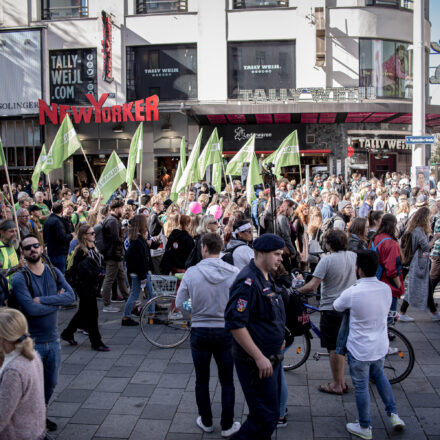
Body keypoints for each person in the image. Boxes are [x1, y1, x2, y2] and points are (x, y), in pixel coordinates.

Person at [334, 250, 405, 439]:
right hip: (380, 345)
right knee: (380, 376)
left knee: (362, 387)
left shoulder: (353, 292)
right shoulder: (385, 289)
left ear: (359, 269)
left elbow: (337, 306)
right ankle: (394, 414)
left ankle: (364, 426)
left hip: (359, 349)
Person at [176, 233, 241, 437]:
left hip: (200, 330)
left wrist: (192, 313)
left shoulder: (192, 272)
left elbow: (179, 304)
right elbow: (241, 302)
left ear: (204, 248)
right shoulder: (234, 272)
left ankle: (206, 421)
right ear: (220, 248)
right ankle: (228, 424)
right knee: (227, 380)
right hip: (225, 331)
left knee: (201, 379)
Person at [12, 234, 75, 432]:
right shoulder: (20, 277)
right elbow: (31, 310)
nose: (32, 249)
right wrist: (56, 302)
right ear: (22, 253)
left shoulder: (54, 272)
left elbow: (71, 296)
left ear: (42, 249)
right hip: (31, 342)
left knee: (51, 383)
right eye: (28, 247)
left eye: (35, 245)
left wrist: (45, 301)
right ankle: (34, 421)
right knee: (32, 386)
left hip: (54, 340)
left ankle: (41, 413)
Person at [225, 234, 286, 440]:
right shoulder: (248, 281)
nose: (281, 258)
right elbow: (235, 324)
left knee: (269, 413)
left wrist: (280, 336)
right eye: (276, 254)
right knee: (265, 417)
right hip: (256, 362)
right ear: (260, 253)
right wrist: (259, 357)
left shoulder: (266, 276)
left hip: (271, 358)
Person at [299, 229, 357, 395]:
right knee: (343, 344)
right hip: (350, 306)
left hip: (331, 308)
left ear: (329, 244)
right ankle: (342, 381)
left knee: (334, 347)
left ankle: (337, 384)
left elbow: (312, 286)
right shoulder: (353, 257)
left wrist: (298, 290)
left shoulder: (327, 260)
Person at [61, 224, 109, 351]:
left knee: (83, 312)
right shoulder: (80, 251)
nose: (94, 235)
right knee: (93, 314)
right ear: (84, 235)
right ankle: (96, 342)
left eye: (94, 233)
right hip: (85, 287)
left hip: (92, 286)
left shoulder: (92, 248)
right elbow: (77, 271)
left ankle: (67, 333)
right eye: (91, 233)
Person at [0, 308, 46, 440]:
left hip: (16, 434)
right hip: (33, 430)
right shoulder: (32, 355)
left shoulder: (13, 371)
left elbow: (2, 415)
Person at [399, 207, 440, 321]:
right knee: (416, 286)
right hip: (419, 262)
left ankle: (433, 312)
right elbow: (426, 246)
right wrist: (435, 238)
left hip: (420, 261)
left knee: (426, 286)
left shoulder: (416, 229)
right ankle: (403, 312)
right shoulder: (418, 230)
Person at [123, 215, 159, 326]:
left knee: (146, 293)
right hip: (140, 273)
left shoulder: (137, 239)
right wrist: (143, 276)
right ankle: (127, 317)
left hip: (139, 272)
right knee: (138, 294)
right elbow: (139, 261)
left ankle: (150, 315)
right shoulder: (137, 241)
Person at [101, 199, 130, 313]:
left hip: (115, 254)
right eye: (121, 208)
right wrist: (123, 238)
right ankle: (107, 304)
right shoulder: (112, 221)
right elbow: (116, 239)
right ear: (116, 209)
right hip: (112, 254)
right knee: (109, 279)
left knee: (121, 277)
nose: (123, 210)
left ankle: (128, 299)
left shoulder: (113, 220)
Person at [43, 202, 74, 274]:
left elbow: (44, 237)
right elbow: (63, 237)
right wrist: (72, 235)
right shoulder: (58, 222)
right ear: (62, 210)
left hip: (50, 252)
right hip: (59, 253)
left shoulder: (47, 221)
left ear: (51, 209)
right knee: (60, 276)